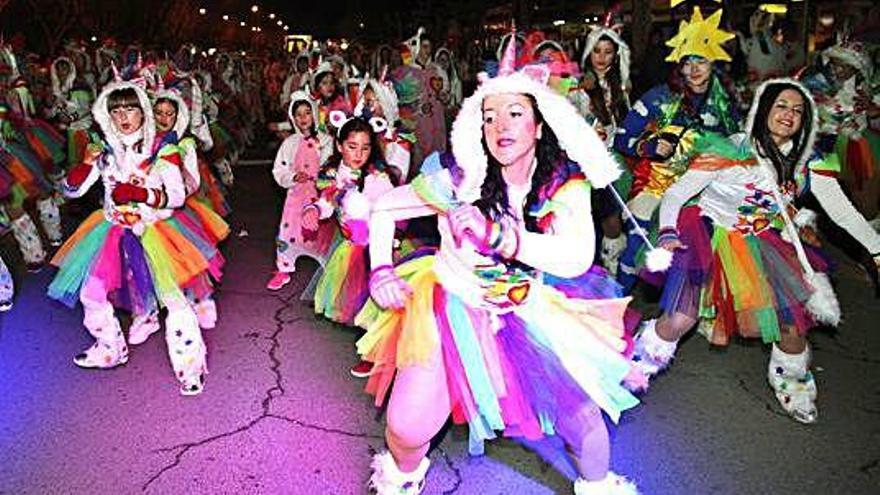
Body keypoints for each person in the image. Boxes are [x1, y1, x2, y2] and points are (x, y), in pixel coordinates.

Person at [357, 35, 642, 494]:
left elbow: (575, 257)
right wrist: (381, 270)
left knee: (586, 430)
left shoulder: (562, 186)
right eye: (488, 116)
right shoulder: (457, 178)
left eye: (514, 113)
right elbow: (386, 207)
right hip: (451, 307)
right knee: (407, 429)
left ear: (539, 125)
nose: (500, 126)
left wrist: (501, 237)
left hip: (528, 309)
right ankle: (404, 479)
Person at [633, 78, 880, 424]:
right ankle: (637, 365)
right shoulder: (729, 149)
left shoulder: (809, 161)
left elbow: (841, 212)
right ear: (764, 109)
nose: (788, 115)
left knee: (792, 327)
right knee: (680, 319)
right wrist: (668, 233)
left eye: (797, 110)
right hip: (709, 235)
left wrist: (877, 250)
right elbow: (675, 194)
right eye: (781, 105)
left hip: (763, 242)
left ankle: (793, 383)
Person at [47, 77, 211, 396]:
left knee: (174, 303)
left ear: (143, 112)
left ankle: (191, 367)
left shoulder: (162, 151)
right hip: (110, 234)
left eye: (130, 109)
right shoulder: (105, 152)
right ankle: (110, 349)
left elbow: (176, 196)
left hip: (154, 234)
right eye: (116, 109)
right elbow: (73, 189)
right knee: (91, 294)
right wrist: (84, 165)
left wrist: (141, 193)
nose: (123, 116)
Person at [613, 7, 741, 291]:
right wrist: (648, 146)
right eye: (687, 62)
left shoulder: (726, 104)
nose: (693, 69)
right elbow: (621, 138)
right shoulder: (659, 97)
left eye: (702, 62)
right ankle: (619, 297)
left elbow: (739, 147)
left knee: (708, 250)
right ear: (679, 65)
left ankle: (689, 310)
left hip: (703, 190)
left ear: (714, 65)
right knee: (638, 237)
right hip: (656, 185)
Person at [305, 116, 399, 377]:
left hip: (378, 246)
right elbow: (327, 203)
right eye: (352, 146)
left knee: (377, 300)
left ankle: (375, 355)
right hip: (350, 247)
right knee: (361, 301)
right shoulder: (332, 175)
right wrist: (313, 209)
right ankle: (372, 346)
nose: (358, 154)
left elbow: (392, 211)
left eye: (365, 147)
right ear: (338, 145)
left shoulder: (378, 177)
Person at [266, 89, 335, 291]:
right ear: (292, 118)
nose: (303, 118)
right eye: (298, 114)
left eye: (307, 113)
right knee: (288, 230)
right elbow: (279, 169)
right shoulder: (290, 142)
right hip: (296, 196)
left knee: (321, 231)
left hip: (318, 196)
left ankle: (327, 264)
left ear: (313, 114)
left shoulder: (325, 140)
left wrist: (323, 177)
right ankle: (284, 267)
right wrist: (292, 177)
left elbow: (331, 165)